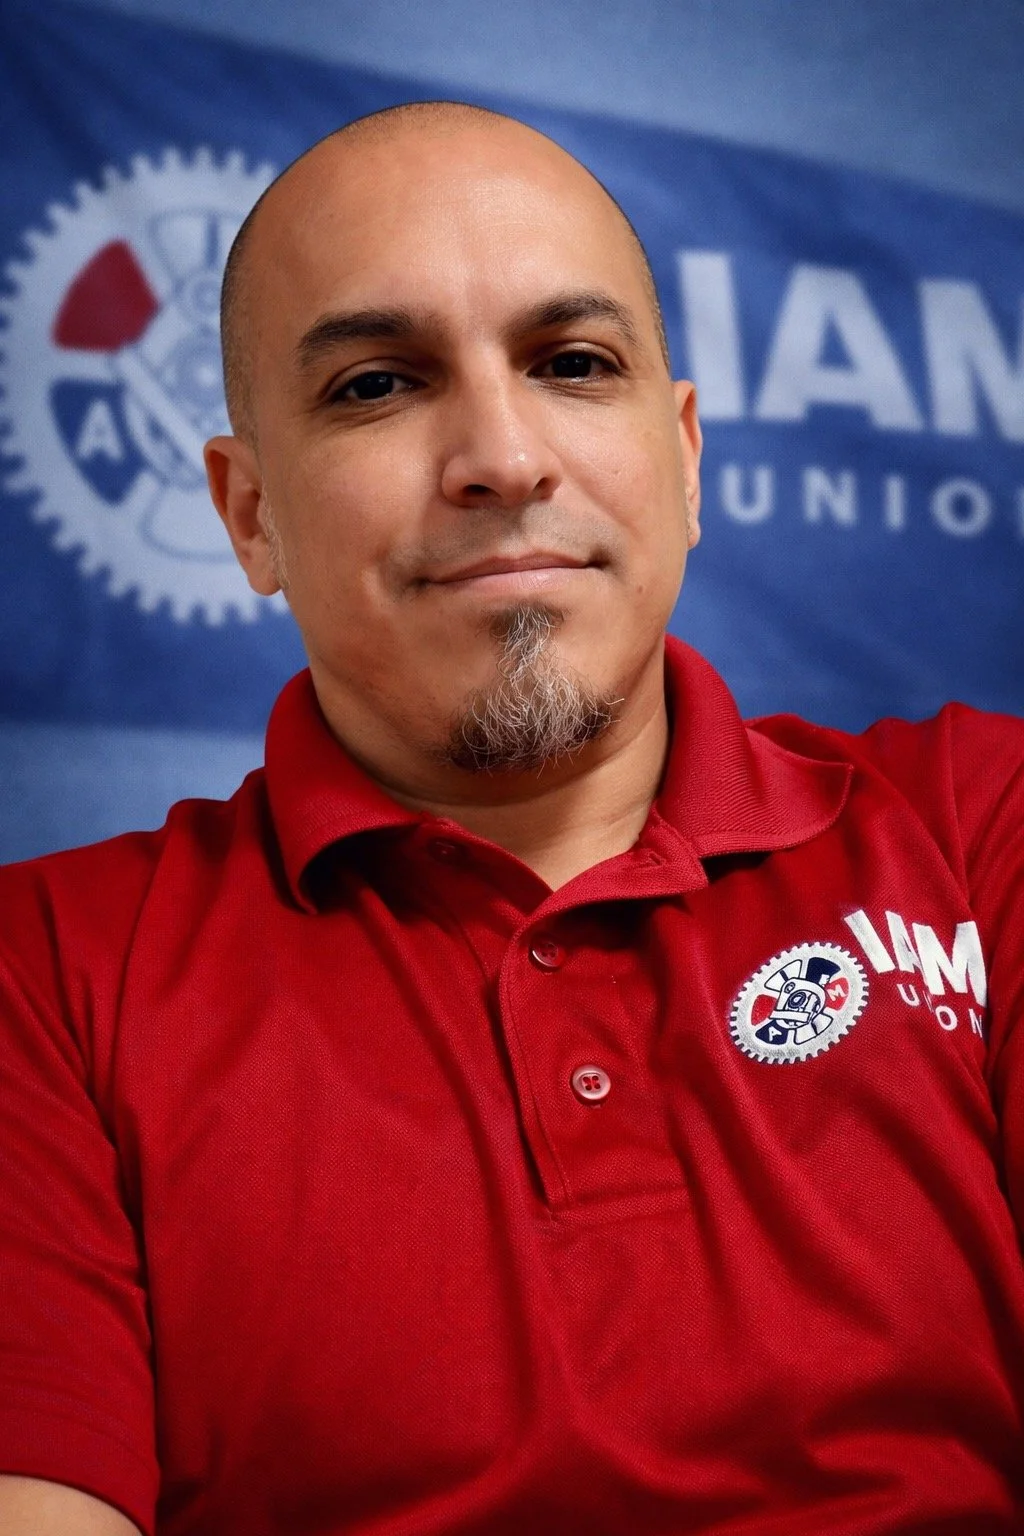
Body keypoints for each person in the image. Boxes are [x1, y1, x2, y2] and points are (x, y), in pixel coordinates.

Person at [0, 99, 1022, 1536]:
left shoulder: (985, 829)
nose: (502, 456)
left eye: (572, 363)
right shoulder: (39, 977)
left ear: (686, 458)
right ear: (248, 517)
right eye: (375, 386)